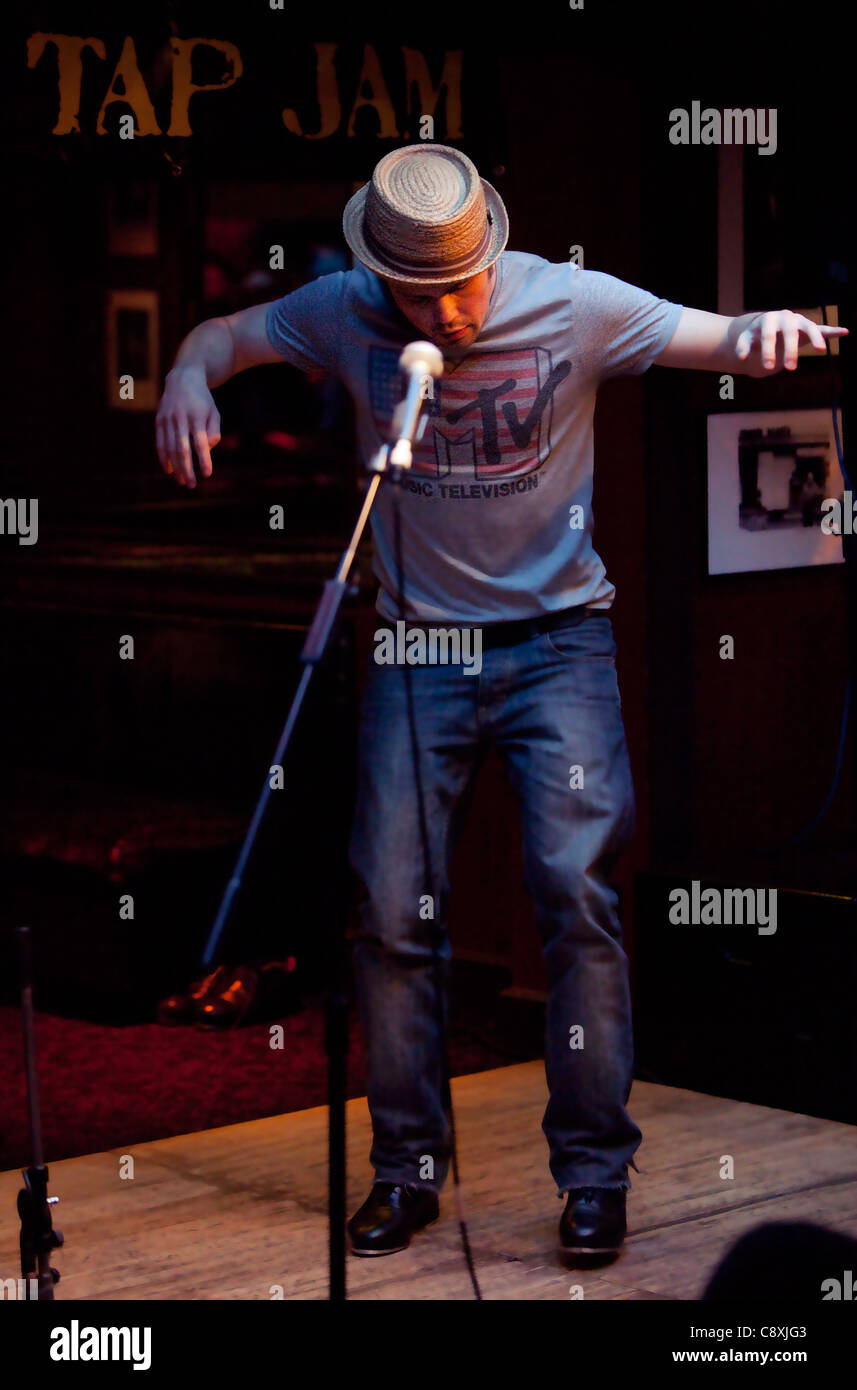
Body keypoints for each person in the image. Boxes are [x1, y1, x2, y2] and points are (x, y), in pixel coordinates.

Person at [155, 143, 846, 1260]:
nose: (449, 310)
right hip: (413, 648)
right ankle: (406, 1170)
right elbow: (224, 339)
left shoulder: (571, 303)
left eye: (462, 283)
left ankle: (590, 1175)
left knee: (576, 897)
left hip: (556, 642)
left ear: (491, 248)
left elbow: (712, 336)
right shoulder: (342, 311)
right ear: (381, 280)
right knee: (388, 915)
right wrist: (188, 373)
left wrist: (761, 336)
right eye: (420, 295)